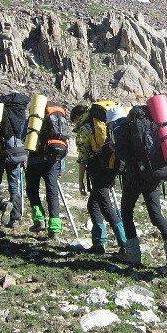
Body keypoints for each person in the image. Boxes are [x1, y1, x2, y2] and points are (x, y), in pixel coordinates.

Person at [118, 107, 167, 270]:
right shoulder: (156, 124)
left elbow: (123, 155)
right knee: (156, 214)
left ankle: (133, 255)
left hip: (136, 176)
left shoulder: (126, 127)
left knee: (126, 211)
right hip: (154, 175)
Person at [71, 104, 127, 255]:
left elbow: (83, 157)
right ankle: (99, 243)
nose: (75, 124)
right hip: (109, 166)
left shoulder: (85, 128)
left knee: (105, 206)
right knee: (93, 204)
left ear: (77, 118)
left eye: (74, 121)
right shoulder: (102, 124)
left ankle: (124, 244)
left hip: (98, 169)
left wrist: (81, 180)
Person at [25, 101, 69, 240]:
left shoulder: (35, 119)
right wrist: (61, 167)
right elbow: (62, 143)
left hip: (35, 160)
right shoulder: (60, 121)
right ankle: (54, 228)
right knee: (52, 193)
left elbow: (24, 137)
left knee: (32, 189)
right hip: (53, 162)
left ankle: (39, 220)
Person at [0, 92, 29, 227]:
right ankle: (15, 219)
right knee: (14, 186)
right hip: (19, 151)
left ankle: (3, 203)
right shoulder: (19, 111)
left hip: (1, 152)